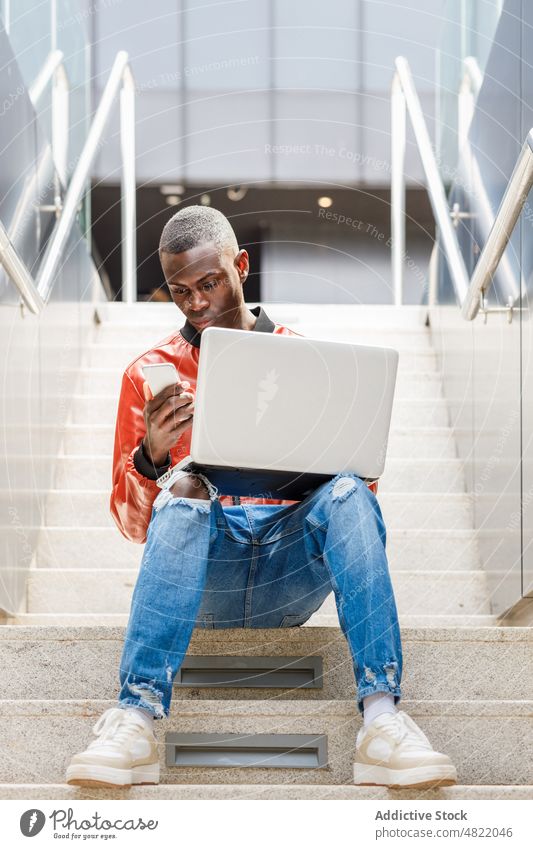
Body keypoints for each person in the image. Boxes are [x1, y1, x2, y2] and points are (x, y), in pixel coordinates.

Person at [66, 205, 457, 790]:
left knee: (349, 491)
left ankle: (382, 719)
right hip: (207, 583)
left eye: (210, 283)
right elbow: (133, 526)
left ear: (241, 266)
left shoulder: (308, 359)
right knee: (185, 488)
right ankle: (136, 716)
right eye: (180, 292)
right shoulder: (147, 374)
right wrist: (151, 457)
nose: (196, 303)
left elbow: (360, 512)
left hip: (288, 575)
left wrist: (320, 475)